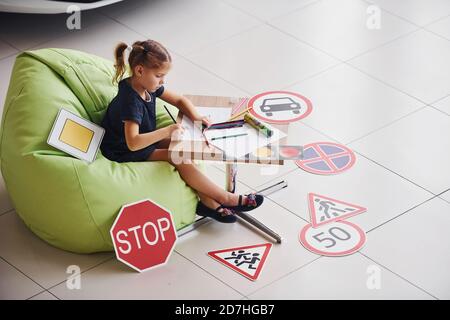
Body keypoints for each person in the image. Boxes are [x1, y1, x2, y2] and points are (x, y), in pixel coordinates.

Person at [100, 39, 264, 223]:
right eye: (159, 75)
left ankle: (207, 203)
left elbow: (179, 100)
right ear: (139, 70)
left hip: (144, 139)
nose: (162, 81)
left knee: (185, 146)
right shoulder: (131, 102)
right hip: (123, 150)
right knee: (178, 156)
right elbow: (133, 142)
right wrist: (167, 131)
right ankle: (228, 199)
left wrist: (196, 117)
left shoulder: (144, 85)